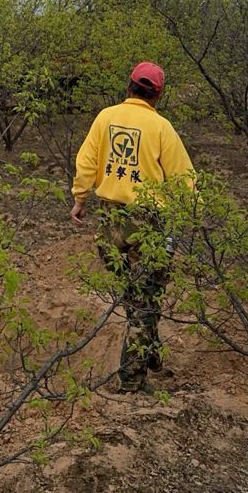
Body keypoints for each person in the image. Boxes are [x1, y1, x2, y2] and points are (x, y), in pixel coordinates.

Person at [70, 61, 194, 394]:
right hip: (146, 224)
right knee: (145, 299)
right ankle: (131, 379)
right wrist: (190, 213)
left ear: (128, 87)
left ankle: (149, 355)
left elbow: (86, 163)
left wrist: (80, 200)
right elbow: (184, 179)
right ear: (158, 94)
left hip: (109, 223)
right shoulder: (161, 127)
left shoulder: (105, 117)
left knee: (136, 294)